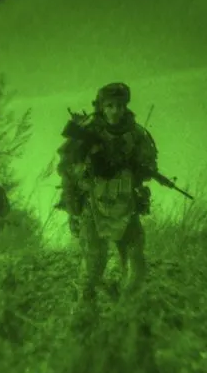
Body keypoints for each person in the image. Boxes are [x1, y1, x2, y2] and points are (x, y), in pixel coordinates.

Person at [56, 82, 158, 303]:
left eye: (120, 106)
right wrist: (74, 197)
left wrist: (138, 169)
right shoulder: (86, 131)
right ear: (101, 106)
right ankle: (84, 310)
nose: (115, 111)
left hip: (125, 203)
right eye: (110, 105)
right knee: (94, 260)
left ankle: (126, 310)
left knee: (135, 261)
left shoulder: (136, 134)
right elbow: (66, 168)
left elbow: (148, 166)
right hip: (93, 204)